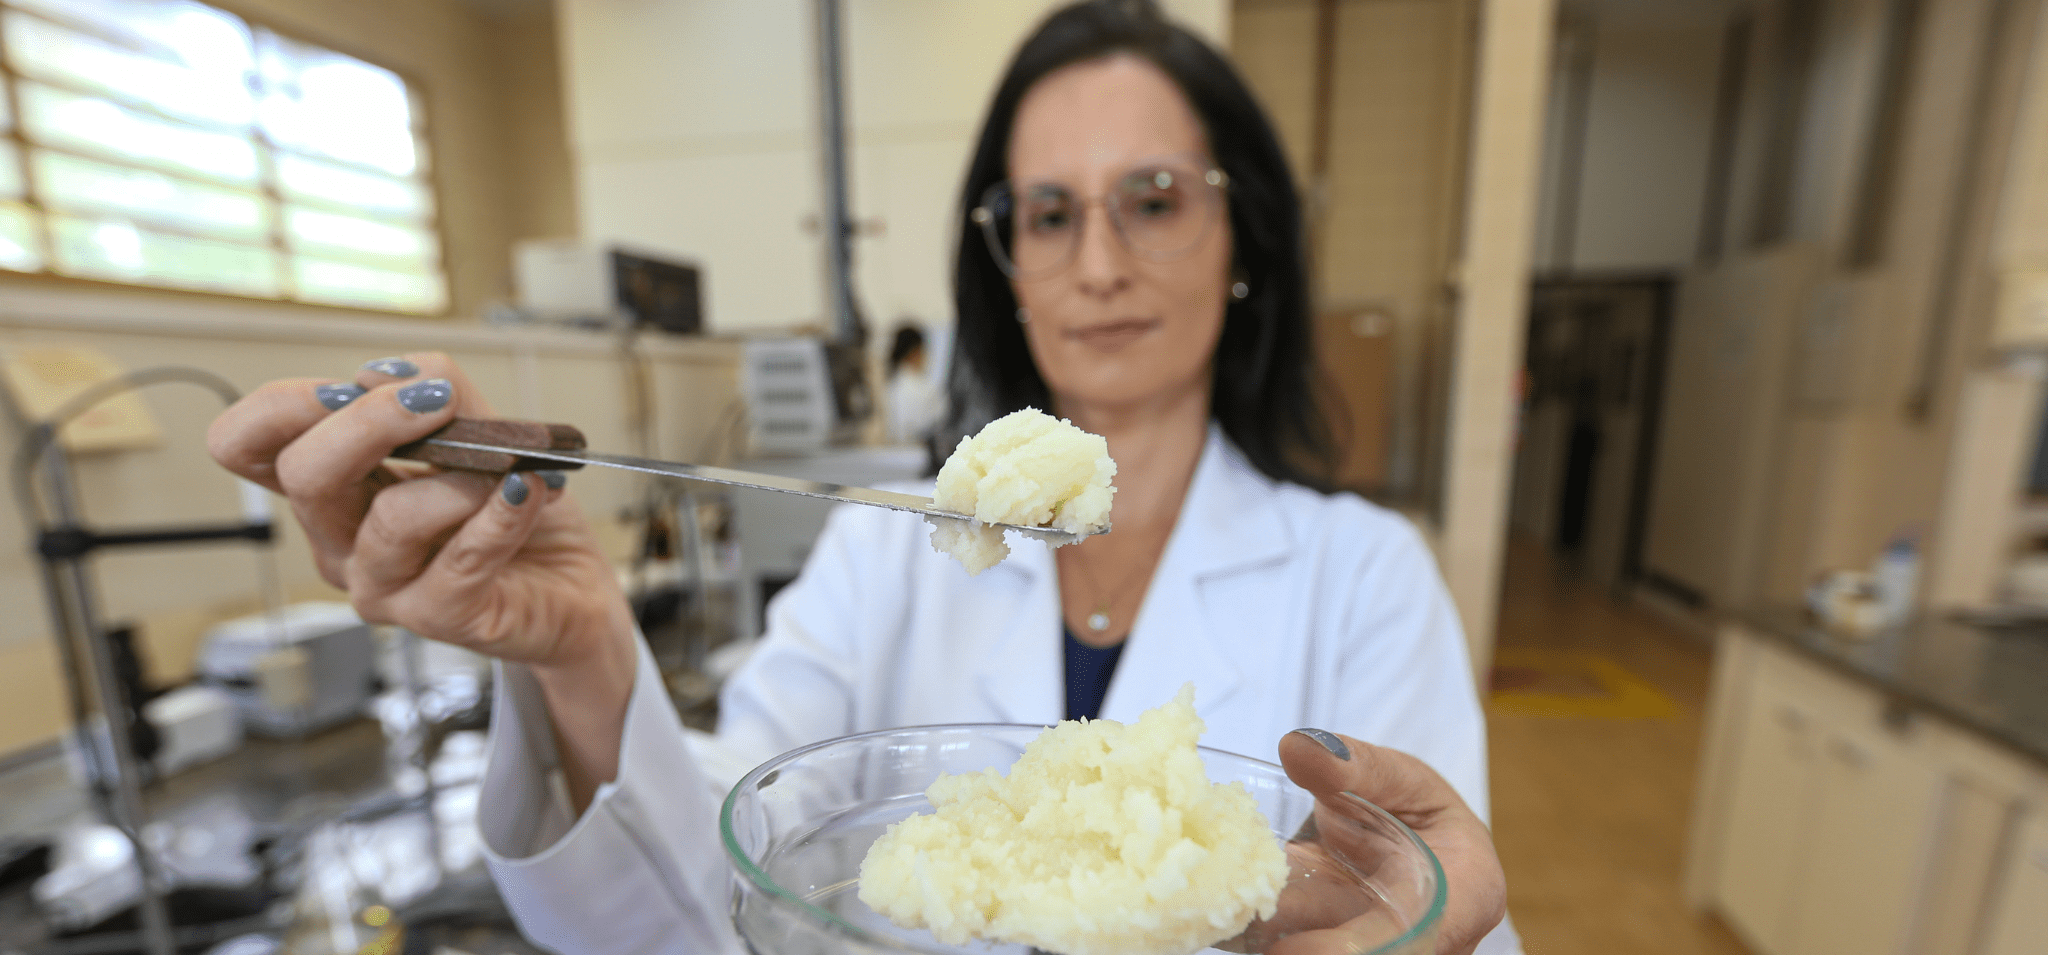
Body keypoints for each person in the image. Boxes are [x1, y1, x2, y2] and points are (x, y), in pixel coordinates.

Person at [206, 2, 1516, 953]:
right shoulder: (893, 545)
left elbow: (1432, 908)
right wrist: (584, 645)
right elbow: (714, 884)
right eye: (1048, 213)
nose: (1098, 262)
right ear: (1004, 258)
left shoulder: (1364, 569)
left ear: (1245, 241)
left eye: (1157, 197)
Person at [884, 321, 944, 445]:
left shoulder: (892, 388)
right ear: (915, 352)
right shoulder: (922, 389)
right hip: (921, 454)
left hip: (899, 455)